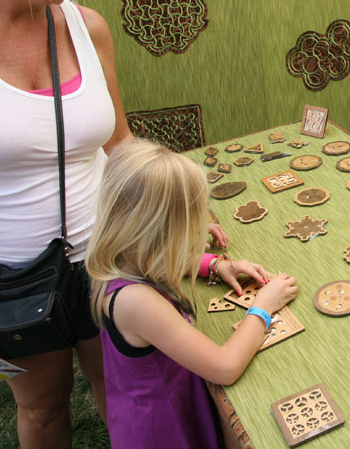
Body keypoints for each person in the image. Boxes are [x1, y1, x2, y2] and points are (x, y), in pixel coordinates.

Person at [0, 0, 134, 446]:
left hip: (105, 255)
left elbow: (118, 141)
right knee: (43, 409)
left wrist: (173, 211)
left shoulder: (87, 27)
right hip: (11, 277)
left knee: (119, 385)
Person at [86, 139, 299, 449]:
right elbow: (224, 367)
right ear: (161, 231)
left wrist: (212, 265)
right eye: (194, 224)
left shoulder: (120, 257)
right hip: (163, 431)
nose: (202, 232)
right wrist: (263, 308)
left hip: (159, 407)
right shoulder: (136, 302)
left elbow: (156, 261)